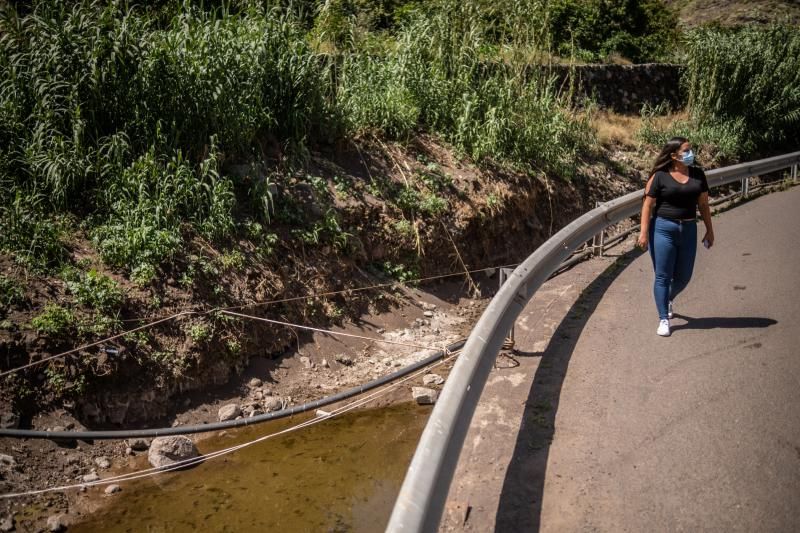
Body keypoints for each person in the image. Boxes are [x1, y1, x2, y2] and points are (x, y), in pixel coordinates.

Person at [637, 137, 714, 336]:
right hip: (663, 229)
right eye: (686, 151)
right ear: (673, 155)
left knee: (684, 277)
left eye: (691, 150)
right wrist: (644, 232)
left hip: (688, 229)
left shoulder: (698, 175)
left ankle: (667, 298)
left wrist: (710, 229)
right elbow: (647, 204)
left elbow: (703, 205)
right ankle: (663, 318)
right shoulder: (660, 176)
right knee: (662, 276)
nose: (691, 154)